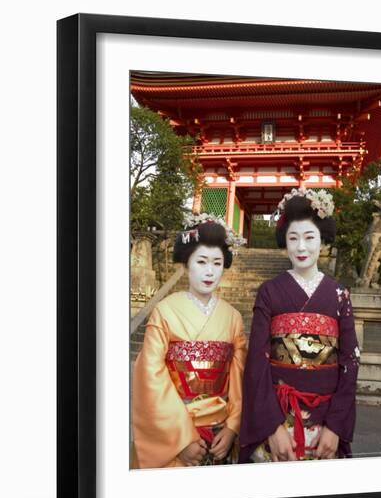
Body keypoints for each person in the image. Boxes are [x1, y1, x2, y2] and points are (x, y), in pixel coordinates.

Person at [239, 187, 360, 463]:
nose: (301, 247)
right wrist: (271, 426)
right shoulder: (269, 292)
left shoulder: (340, 295)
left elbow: (349, 362)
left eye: (309, 237)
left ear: (323, 240)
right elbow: (257, 362)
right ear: (285, 241)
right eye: (293, 238)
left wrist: (335, 427)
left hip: (326, 419)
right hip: (279, 415)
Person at [132, 214, 247, 468]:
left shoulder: (233, 318)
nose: (209, 271)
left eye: (217, 263)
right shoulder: (165, 311)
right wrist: (181, 440)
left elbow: (238, 382)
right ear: (186, 264)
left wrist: (232, 429)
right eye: (201, 261)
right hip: (175, 427)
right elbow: (150, 377)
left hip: (220, 434)